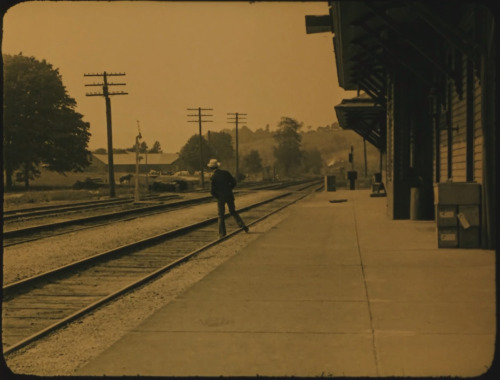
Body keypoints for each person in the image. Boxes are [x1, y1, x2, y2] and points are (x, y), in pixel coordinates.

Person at [207, 158, 249, 238]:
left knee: (221, 215)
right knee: (233, 211)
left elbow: (212, 191)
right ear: (218, 166)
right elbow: (234, 182)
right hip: (229, 195)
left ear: (211, 168)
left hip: (220, 198)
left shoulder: (213, 177)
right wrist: (229, 189)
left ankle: (222, 234)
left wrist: (218, 196)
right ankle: (242, 225)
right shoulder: (225, 173)